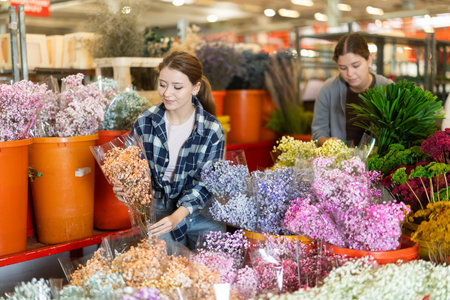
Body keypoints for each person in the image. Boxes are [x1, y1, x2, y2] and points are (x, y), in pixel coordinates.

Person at [114, 51, 226, 250]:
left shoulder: (212, 129)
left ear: (195, 87)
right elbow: (130, 167)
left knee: (211, 270)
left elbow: (208, 183)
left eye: (177, 87)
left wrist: (178, 215)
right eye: (163, 84)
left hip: (200, 213)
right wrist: (123, 186)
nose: (167, 93)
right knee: (166, 274)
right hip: (159, 211)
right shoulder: (145, 121)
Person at [311, 32, 393, 146]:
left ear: (369, 60)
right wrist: (326, 142)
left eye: (356, 66)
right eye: (343, 68)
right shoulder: (328, 90)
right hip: (340, 162)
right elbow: (318, 132)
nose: (350, 73)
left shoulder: (388, 89)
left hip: (381, 161)